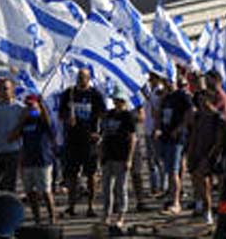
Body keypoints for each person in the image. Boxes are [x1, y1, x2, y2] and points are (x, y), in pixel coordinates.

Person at [59, 68, 106, 218]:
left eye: (84, 77)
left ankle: (91, 207)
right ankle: (71, 206)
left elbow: (103, 115)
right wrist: (68, 119)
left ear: (89, 78)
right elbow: (61, 113)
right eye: (79, 77)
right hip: (72, 140)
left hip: (89, 141)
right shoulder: (69, 93)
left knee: (91, 175)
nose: (81, 79)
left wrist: (99, 134)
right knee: (72, 175)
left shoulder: (95, 95)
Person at [11, 94, 57, 226]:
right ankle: (37, 219)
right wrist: (22, 120)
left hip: (43, 159)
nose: (30, 107)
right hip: (28, 160)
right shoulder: (26, 121)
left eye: (32, 105)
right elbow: (13, 137)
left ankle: (52, 217)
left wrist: (41, 107)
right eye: (28, 105)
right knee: (30, 192)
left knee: (45, 191)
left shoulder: (43, 120)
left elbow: (50, 128)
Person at [186, 89, 226, 225]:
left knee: (222, 187)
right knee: (203, 184)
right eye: (200, 101)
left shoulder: (218, 117)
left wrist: (208, 158)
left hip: (215, 156)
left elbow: (219, 141)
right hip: (199, 152)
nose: (202, 103)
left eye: (204, 100)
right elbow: (193, 135)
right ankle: (206, 211)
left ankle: (224, 213)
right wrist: (190, 153)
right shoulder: (199, 116)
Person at [100, 89, 138, 230]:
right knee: (106, 188)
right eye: (116, 100)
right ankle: (106, 214)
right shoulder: (109, 115)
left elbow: (133, 138)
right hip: (108, 155)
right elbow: (104, 135)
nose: (118, 103)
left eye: (120, 101)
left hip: (121, 156)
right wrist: (102, 153)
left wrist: (129, 158)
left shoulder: (128, 117)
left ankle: (121, 215)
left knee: (120, 188)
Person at [156, 75, 193, 215]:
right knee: (169, 171)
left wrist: (180, 128)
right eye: (165, 81)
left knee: (174, 171)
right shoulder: (166, 98)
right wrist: (158, 128)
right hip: (165, 137)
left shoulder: (182, 95)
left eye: (169, 81)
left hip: (177, 138)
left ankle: (176, 202)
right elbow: (160, 115)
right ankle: (171, 199)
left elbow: (190, 112)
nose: (167, 84)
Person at [0, 78, 23, 192]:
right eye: (0, 89)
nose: (3, 91)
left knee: (8, 184)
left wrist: (17, 132)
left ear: (12, 90)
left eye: (6, 88)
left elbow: (33, 116)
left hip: (12, 151)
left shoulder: (19, 107)